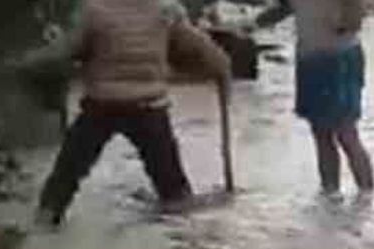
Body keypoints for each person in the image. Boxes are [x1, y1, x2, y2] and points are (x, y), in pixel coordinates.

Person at [23, 0, 232, 227]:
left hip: (101, 106)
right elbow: (206, 52)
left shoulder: (95, 11)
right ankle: (180, 235)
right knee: (174, 190)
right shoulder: (165, 10)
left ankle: (44, 224)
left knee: (66, 175)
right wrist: (223, 70)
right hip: (149, 108)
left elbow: (65, 51)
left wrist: (26, 63)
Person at [260, 0, 374, 199]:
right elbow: (285, 7)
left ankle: (366, 197)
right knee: (320, 132)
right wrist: (252, 23)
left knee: (345, 131)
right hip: (310, 57)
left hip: (339, 56)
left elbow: (356, 12)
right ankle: (330, 194)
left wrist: (346, 22)